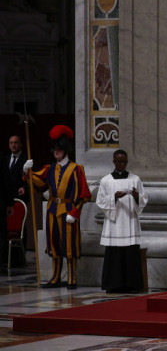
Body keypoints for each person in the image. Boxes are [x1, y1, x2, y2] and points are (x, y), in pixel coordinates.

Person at [23, 125, 91, 289]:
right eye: (55, 150)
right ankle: (55, 276)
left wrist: (75, 212)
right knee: (54, 244)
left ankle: (72, 278)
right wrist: (27, 171)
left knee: (70, 245)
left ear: (65, 150)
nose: (56, 153)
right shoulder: (50, 168)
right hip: (52, 209)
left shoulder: (76, 169)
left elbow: (83, 194)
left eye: (59, 150)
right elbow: (38, 182)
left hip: (68, 209)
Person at [96, 149, 147, 293]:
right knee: (115, 255)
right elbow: (100, 201)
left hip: (130, 221)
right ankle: (113, 285)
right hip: (114, 224)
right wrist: (115, 198)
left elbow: (144, 199)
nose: (122, 164)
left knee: (130, 254)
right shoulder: (106, 180)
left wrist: (137, 197)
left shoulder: (135, 179)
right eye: (119, 161)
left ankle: (132, 285)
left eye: (124, 161)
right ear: (114, 162)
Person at [1, 135, 27, 265]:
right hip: (8, 197)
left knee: (20, 227)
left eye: (16, 143)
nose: (13, 145)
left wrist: (25, 187)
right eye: (11, 143)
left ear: (20, 144)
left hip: (19, 196)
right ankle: (7, 258)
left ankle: (20, 258)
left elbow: (29, 177)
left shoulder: (26, 160)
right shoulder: (5, 159)